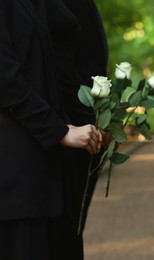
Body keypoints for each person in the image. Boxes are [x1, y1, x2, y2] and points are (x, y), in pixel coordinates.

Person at [0, 0, 102, 259]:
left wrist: (96, 119)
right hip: (17, 178)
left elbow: (58, 72)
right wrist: (59, 131)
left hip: (47, 173)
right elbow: (5, 80)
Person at [45, 0, 110, 259]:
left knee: (73, 228)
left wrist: (104, 115)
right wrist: (87, 120)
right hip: (69, 125)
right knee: (62, 232)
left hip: (87, 124)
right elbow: (61, 65)